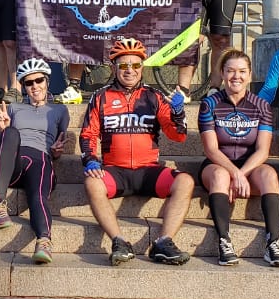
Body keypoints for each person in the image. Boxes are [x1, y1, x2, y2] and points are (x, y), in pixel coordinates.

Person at [79, 37, 194, 266]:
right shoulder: (100, 97)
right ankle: (119, 242)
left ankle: (163, 242)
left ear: (142, 67)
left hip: (148, 171)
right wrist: (90, 160)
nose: (129, 70)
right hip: (115, 171)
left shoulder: (154, 96)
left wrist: (178, 113)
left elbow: (178, 136)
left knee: (186, 182)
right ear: (114, 68)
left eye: (135, 65)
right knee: (92, 183)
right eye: (123, 65)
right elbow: (88, 134)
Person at [197, 50, 279, 268]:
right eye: (230, 71)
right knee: (220, 176)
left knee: (269, 175)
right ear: (222, 73)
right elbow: (211, 149)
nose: (236, 76)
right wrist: (234, 173)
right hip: (218, 164)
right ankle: (224, 240)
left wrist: (241, 174)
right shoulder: (209, 104)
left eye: (242, 71)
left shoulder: (262, 106)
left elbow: (263, 151)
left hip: (249, 166)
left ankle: (273, 242)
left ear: (249, 75)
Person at [0, 58, 68, 263]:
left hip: (41, 159)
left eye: (39, 80)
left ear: (47, 81)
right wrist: (4, 129)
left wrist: (56, 152)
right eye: (28, 83)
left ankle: (44, 241)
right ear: (23, 87)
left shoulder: (59, 110)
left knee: (38, 194)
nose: (34, 86)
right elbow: (7, 145)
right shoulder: (14, 108)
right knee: (11, 132)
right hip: (15, 164)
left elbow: (60, 142)